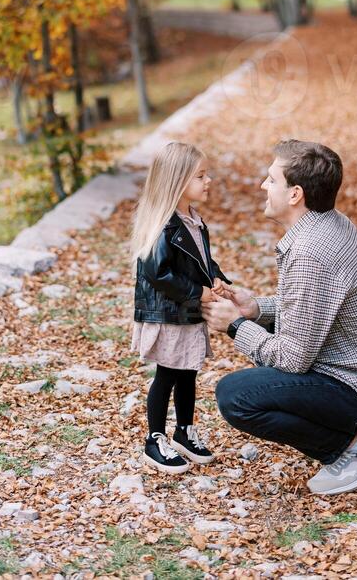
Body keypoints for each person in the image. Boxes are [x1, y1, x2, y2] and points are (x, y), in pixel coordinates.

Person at [202, 138, 357, 496]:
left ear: (295, 194)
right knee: (246, 386)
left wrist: (235, 326)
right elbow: (313, 311)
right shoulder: (330, 225)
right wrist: (255, 309)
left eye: (271, 179)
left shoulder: (311, 251)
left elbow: (292, 359)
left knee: (236, 396)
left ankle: (356, 450)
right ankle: (353, 441)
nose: (262, 185)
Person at [130, 140, 232, 473]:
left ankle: (184, 431)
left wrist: (216, 278)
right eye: (200, 176)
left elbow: (202, 261)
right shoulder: (164, 224)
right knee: (168, 373)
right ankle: (154, 437)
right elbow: (157, 273)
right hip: (168, 313)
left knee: (189, 370)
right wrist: (197, 292)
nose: (208, 181)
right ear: (177, 181)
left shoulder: (194, 221)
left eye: (207, 175)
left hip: (186, 311)